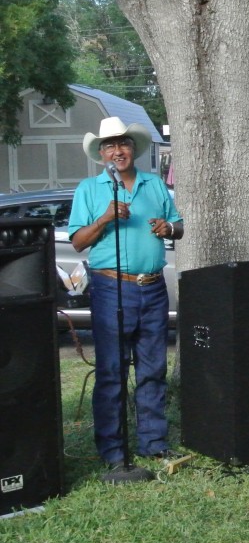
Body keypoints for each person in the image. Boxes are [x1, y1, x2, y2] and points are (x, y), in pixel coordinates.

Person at [69, 116, 184, 473]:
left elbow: (177, 226)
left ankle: (153, 445)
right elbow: (77, 242)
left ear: (133, 149)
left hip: (151, 287)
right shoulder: (89, 189)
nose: (117, 151)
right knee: (112, 372)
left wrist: (169, 228)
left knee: (152, 369)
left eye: (123, 144)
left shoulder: (153, 185)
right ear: (101, 154)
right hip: (110, 289)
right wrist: (104, 219)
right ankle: (114, 452)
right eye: (110, 146)